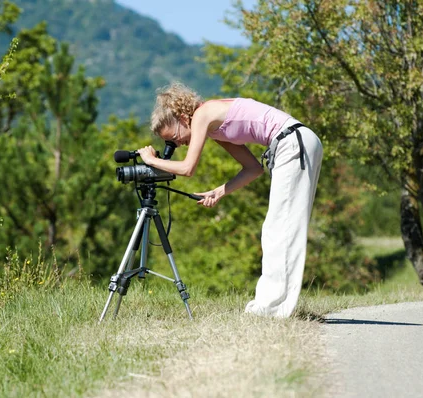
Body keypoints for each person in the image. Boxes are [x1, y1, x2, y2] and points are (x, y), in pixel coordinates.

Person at [137, 82, 323, 318]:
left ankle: (271, 308)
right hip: (295, 142)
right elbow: (253, 168)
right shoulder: (216, 127)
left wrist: (151, 161)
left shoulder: (203, 114)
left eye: (173, 138)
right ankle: (276, 306)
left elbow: (187, 168)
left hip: (292, 143)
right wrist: (219, 192)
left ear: (184, 118)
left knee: (281, 229)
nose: (177, 145)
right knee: (279, 228)